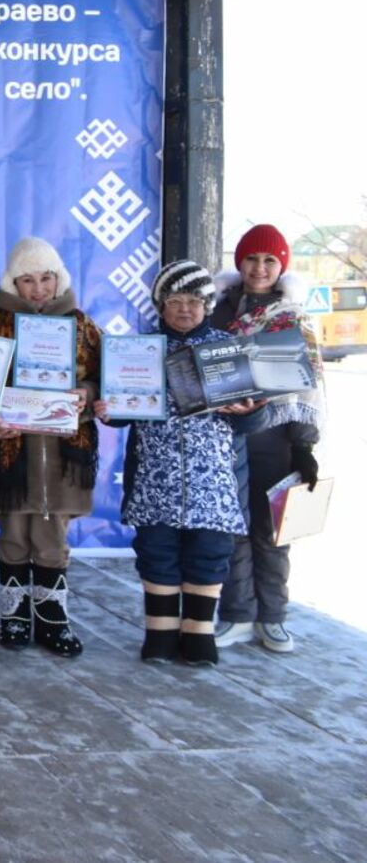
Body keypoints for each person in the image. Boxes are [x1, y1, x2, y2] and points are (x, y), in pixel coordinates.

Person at [95, 260, 267, 667]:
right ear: (161, 304)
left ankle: (199, 635)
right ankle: (160, 633)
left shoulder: (228, 348)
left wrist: (247, 411)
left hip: (213, 481)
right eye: (175, 301)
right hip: (155, 476)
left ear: (207, 305)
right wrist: (108, 409)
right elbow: (122, 412)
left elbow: (254, 419)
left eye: (194, 301)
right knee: (156, 550)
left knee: (210, 551)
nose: (185, 309)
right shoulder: (140, 350)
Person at [0, 238, 99, 658]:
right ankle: (13, 614)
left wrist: (86, 392)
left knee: (50, 535)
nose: (39, 288)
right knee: (13, 534)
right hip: (12, 455)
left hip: (63, 455)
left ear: (59, 278)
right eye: (27, 280)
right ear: (13, 283)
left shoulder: (83, 326)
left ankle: (52, 619)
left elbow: (106, 380)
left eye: (46, 277)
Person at [210, 224, 325, 654]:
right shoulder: (219, 310)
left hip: (275, 436)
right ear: (240, 262)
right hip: (226, 434)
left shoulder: (292, 316)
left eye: (269, 260)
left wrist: (304, 446)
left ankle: (273, 618)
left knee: (272, 531)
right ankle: (237, 615)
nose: (260, 268)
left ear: (281, 267)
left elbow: (307, 384)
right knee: (232, 527)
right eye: (252, 259)